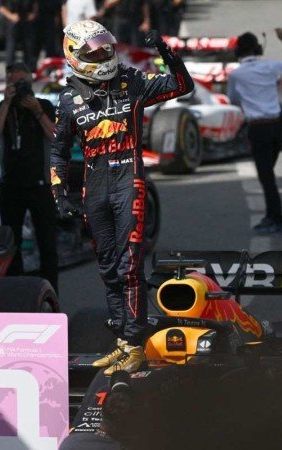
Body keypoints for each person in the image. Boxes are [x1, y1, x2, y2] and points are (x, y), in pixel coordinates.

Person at [51, 21, 193, 375]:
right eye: (93, 52)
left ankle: (134, 343)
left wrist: (166, 52)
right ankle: (121, 340)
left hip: (129, 183)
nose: (103, 56)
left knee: (129, 268)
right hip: (94, 189)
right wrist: (59, 193)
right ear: (74, 56)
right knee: (107, 269)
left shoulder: (133, 82)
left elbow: (181, 84)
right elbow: (58, 152)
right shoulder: (68, 100)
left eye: (105, 48)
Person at [0, 62, 59, 291]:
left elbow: (56, 137)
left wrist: (37, 111)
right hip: (11, 185)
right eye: (14, 83)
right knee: (12, 245)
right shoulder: (3, 107)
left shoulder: (45, 106)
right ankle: (17, 294)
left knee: (47, 244)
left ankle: (51, 294)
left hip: (41, 185)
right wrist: (7, 101)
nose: (19, 88)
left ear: (30, 83)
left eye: (23, 83)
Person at [227, 28, 282, 236]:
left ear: (238, 52)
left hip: (259, 129)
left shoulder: (236, 75)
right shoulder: (270, 66)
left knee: (266, 176)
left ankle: (277, 220)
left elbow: (233, 100)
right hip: (278, 127)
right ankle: (270, 215)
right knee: (268, 175)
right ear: (257, 49)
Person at [0, 0, 38, 71]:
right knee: (11, 47)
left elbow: (35, 3)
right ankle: (10, 70)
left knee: (29, 46)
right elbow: (0, 6)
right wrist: (10, 16)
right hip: (13, 20)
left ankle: (29, 70)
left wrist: (33, 13)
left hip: (26, 19)